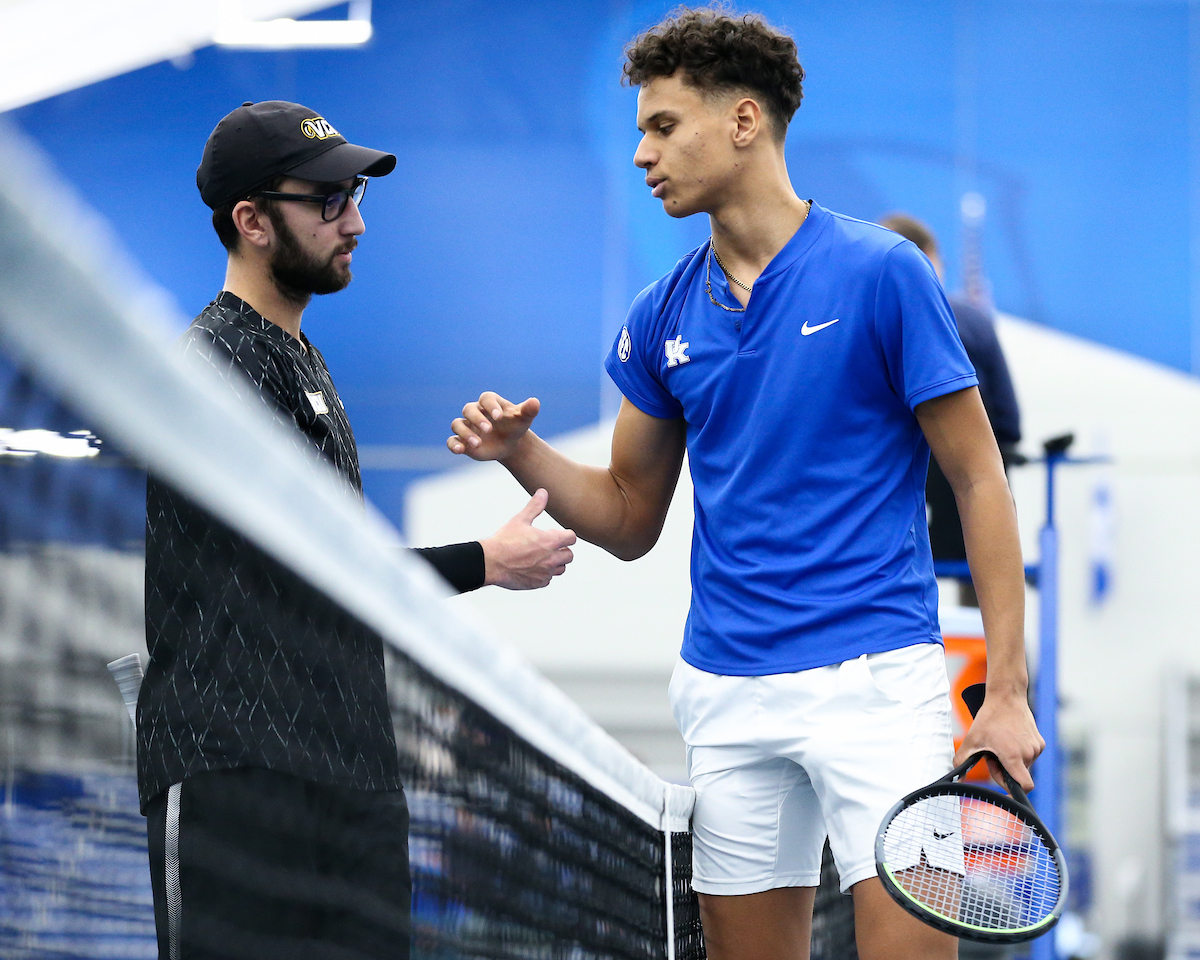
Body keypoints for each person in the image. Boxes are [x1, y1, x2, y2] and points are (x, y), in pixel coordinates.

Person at [447, 10, 1042, 960]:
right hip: (728, 696)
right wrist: (524, 454)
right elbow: (632, 515)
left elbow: (980, 479)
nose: (644, 151)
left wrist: (1004, 690)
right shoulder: (662, 312)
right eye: (641, 128)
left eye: (663, 124)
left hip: (880, 687)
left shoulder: (884, 274)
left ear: (743, 121)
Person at [137, 100, 576, 960]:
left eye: (360, 198)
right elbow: (311, 573)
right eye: (330, 200)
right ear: (252, 221)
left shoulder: (303, 360)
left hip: (349, 780)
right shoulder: (210, 367)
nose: (357, 222)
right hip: (238, 780)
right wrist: (484, 560)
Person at [880, 213, 1022, 606]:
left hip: (890, 507)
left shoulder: (868, 323)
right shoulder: (974, 321)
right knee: (983, 600)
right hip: (965, 501)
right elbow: (1009, 423)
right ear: (931, 258)